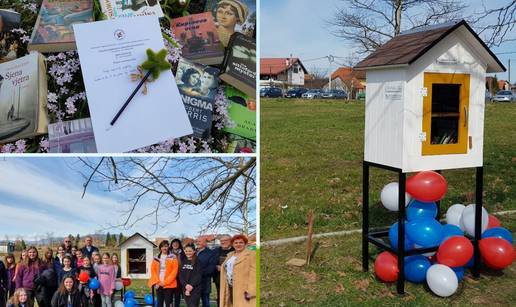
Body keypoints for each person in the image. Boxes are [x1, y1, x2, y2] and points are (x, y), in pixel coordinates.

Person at [219, 235, 256, 307]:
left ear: (245, 244)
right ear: (232, 244)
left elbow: (254, 273)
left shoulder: (252, 254)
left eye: (241, 242)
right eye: (236, 243)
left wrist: (251, 291)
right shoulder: (230, 255)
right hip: (229, 287)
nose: (238, 244)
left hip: (243, 289)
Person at [148, 240, 179, 307]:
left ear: (168, 247)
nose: (164, 248)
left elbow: (174, 272)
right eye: (162, 246)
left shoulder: (173, 257)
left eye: (166, 246)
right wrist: (157, 282)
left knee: (168, 303)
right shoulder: (156, 258)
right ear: (160, 248)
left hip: (169, 284)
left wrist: (164, 282)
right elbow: (153, 271)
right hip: (158, 284)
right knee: (159, 303)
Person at [212, 236, 234, 307]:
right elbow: (211, 262)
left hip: (232, 278)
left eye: (225, 240)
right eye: (221, 241)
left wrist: (223, 268)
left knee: (232, 296)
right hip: (219, 278)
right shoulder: (216, 250)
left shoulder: (235, 250)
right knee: (220, 296)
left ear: (230, 241)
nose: (223, 242)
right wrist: (215, 266)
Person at [195, 238, 216, 307]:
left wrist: (198, 274)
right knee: (193, 302)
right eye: (197, 241)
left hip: (204, 282)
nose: (197, 243)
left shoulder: (210, 253)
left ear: (205, 243)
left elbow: (211, 268)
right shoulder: (193, 252)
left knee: (205, 302)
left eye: (199, 241)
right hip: (193, 282)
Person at [170, 239, 185, 307]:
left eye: (177, 243)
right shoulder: (168, 253)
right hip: (170, 277)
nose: (175, 244)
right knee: (169, 294)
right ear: (171, 244)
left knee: (177, 294)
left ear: (179, 245)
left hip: (179, 277)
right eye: (174, 243)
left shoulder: (183, 254)